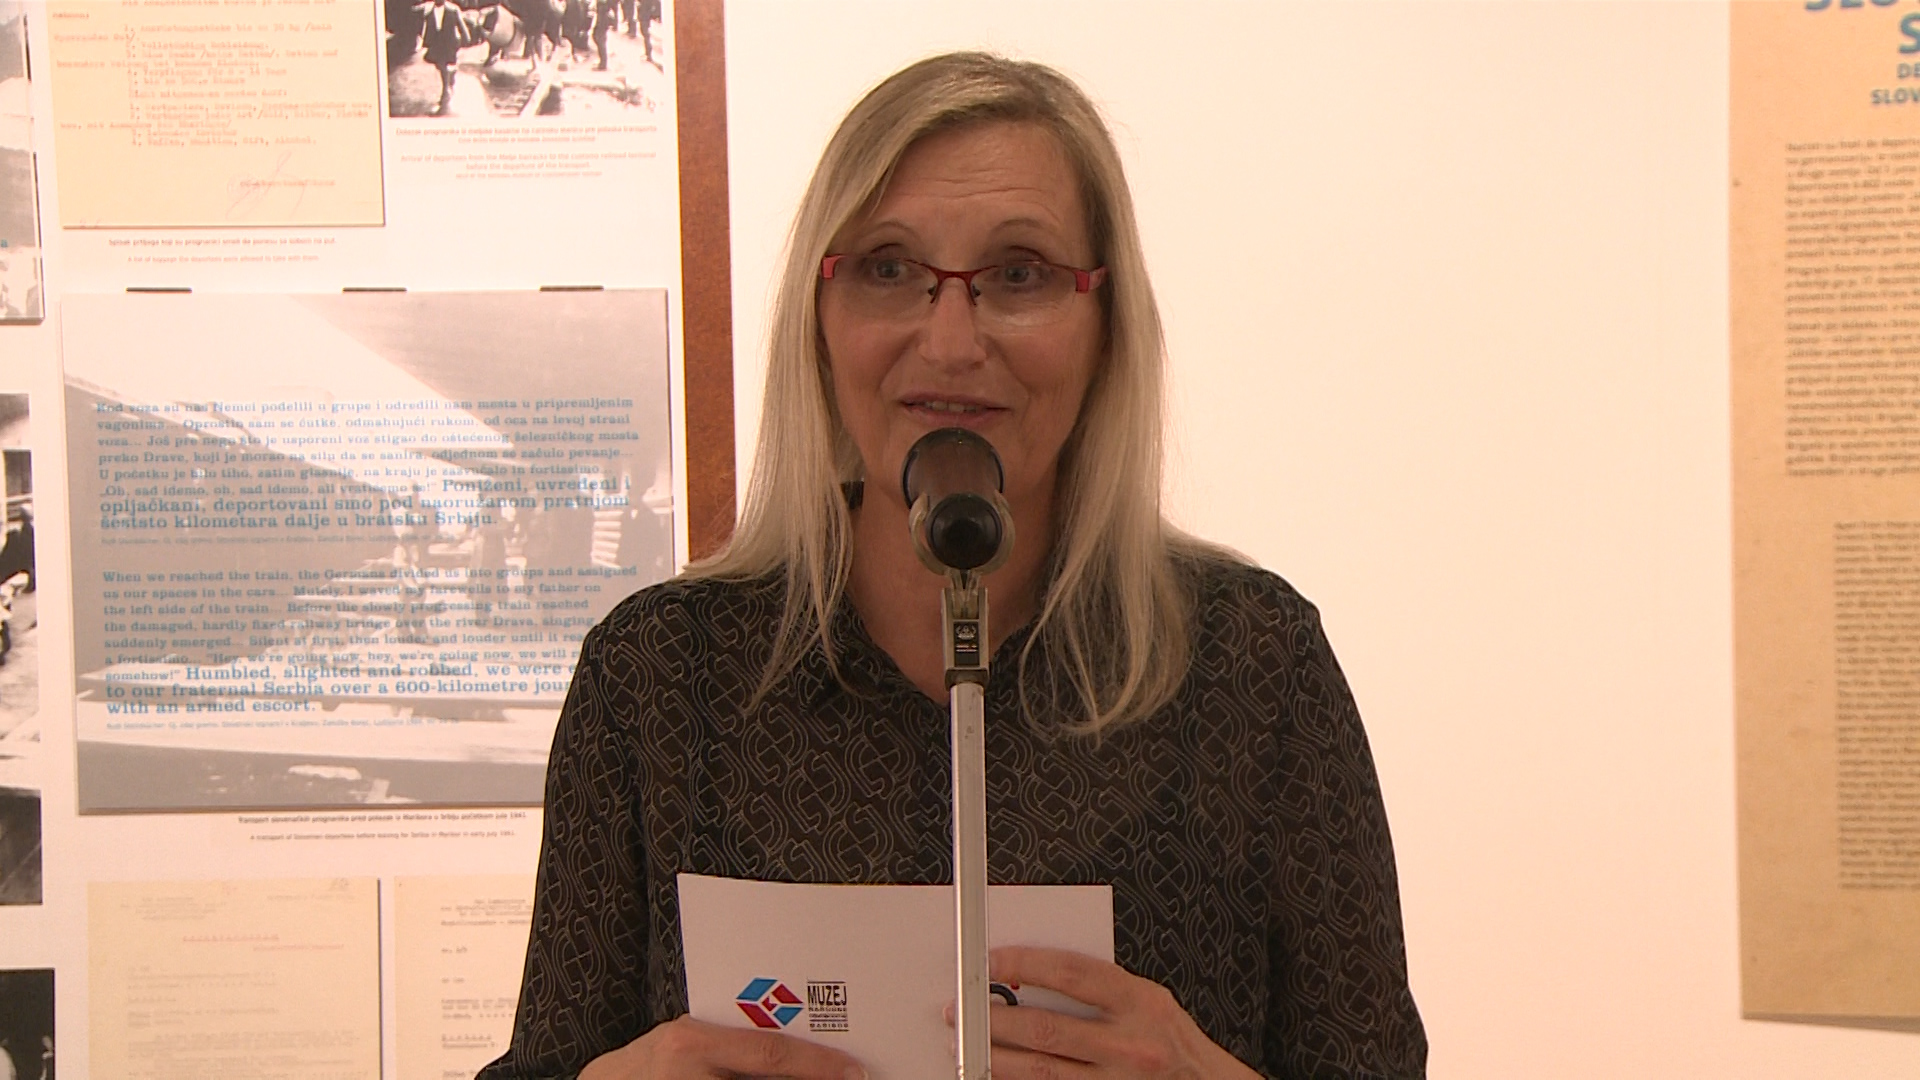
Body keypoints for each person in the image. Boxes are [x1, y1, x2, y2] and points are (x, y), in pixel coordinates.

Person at [480, 52, 1426, 1080]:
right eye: (890, 269)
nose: (951, 341)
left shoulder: (1252, 663)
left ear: (1106, 326)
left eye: (1019, 275)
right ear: (819, 318)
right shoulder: (662, 672)